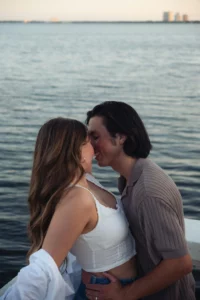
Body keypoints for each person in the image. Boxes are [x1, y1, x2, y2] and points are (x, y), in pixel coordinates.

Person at [0, 117, 137, 300]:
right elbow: (44, 267)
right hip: (103, 293)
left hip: (123, 288)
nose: (94, 148)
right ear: (76, 151)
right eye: (89, 142)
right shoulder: (77, 198)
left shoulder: (88, 181)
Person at [85, 101, 196, 300]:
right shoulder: (130, 178)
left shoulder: (148, 193)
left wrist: (124, 294)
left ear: (120, 137)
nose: (89, 146)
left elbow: (180, 263)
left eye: (95, 137)